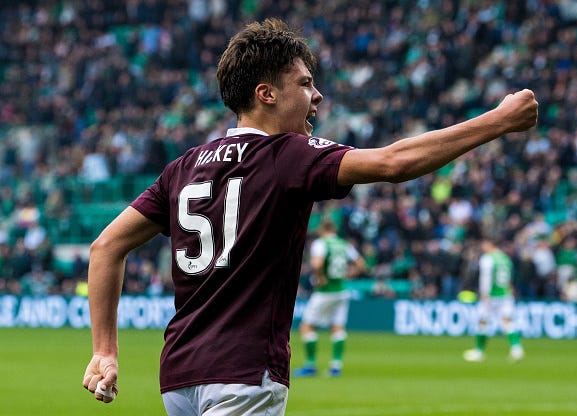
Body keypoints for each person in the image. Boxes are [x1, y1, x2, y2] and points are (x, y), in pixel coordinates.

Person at [82, 18, 538, 414]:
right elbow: (393, 163)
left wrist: (104, 351)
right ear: (266, 94)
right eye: (304, 84)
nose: (317, 95)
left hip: (179, 376)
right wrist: (497, 121)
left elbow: (105, 247)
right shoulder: (286, 154)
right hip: (243, 374)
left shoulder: (182, 167)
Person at [294, 219, 366, 377]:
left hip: (324, 291)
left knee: (307, 326)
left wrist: (320, 277)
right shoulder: (344, 244)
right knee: (337, 327)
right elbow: (361, 263)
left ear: (322, 229)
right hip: (341, 290)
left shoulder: (321, 244)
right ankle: (336, 366)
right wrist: (349, 274)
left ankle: (310, 365)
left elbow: (317, 265)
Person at [463, 238, 525, 362]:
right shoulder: (505, 258)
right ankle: (516, 349)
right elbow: (510, 277)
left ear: (490, 244)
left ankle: (479, 351)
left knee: (482, 321)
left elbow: (486, 277)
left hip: (491, 295)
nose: (483, 247)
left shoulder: (488, 259)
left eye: (484, 244)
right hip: (505, 294)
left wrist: (484, 293)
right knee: (507, 321)